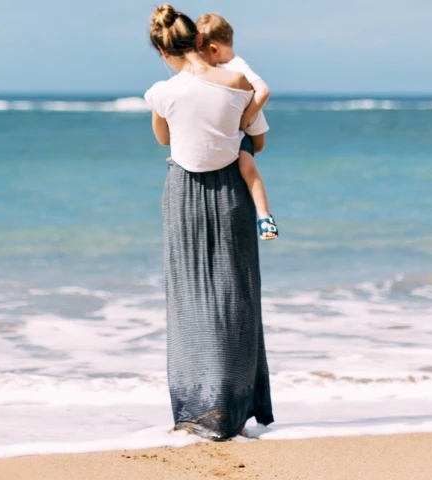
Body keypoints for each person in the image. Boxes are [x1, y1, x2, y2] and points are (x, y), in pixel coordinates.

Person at [144, 3, 274, 440]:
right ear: (199, 40)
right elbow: (257, 141)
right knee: (236, 295)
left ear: (164, 52)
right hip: (231, 192)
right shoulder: (238, 83)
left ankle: (196, 409)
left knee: (189, 299)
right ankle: (234, 407)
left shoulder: (162, 92)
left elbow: (164, 138)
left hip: (183, 194)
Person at [196, 12, 277, 240]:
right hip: (231, 128)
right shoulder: (222, 66)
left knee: (247, 166)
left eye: (201, 55)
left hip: (244, 129)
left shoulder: (236, 66)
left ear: (213, 49)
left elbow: (263, 91)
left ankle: (265, 217)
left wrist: (244, 118)